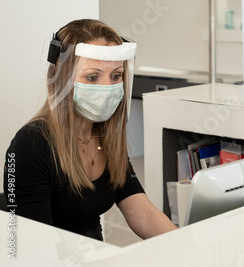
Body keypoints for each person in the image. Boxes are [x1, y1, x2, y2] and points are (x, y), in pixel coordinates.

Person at [3, 19, 177, 240]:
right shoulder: (30, 145)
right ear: (60, 80)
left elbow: (141, 213)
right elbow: (33, 244)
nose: (108, 87)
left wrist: (186, 248)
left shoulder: (107, 138)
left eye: (116, 76)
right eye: (92, 77)